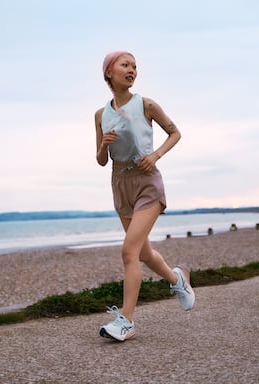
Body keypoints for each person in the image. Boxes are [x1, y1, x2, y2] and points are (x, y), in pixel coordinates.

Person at [94, 51, 195, 342]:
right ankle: (178, 280)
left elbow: (175, 133)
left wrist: (156, 155)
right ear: (109, 73)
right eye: (125, 65)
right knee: (144, 253)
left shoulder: (146, 104)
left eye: (135, 66)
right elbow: (101, 160)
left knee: (129, 251)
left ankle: (126, 321)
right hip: (120, 183)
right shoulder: (101, 115)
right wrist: (104, 145)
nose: (132, 70)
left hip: (147, 182)